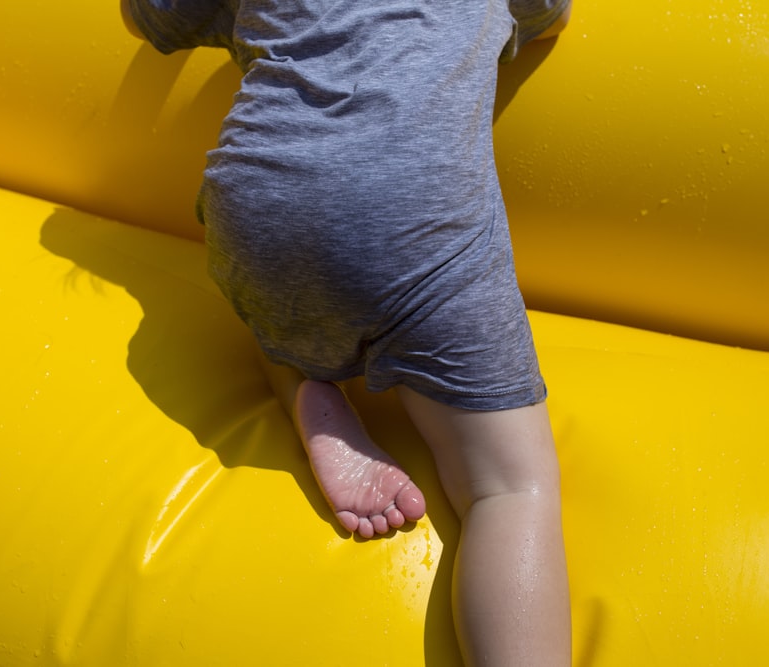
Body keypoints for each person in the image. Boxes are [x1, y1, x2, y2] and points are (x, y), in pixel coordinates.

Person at [122, 1, 572, 664]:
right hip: (411, 220)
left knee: (281, 291)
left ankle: (301, 379)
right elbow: (551, 16)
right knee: (510, 488)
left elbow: (143, 17)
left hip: (254, 201)